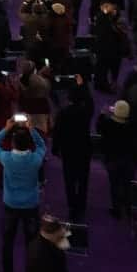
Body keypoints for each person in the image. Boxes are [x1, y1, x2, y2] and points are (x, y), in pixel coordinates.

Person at [0, 116, 48, 272]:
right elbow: (42, 146)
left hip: (10, 206)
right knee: (32, 246)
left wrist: (6, 129)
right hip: (31, 206)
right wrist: (32, 130)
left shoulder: (7, 158)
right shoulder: (35, 159)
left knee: (8, 243)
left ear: (13, 143)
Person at [52, 77, 94, 222]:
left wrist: (55, 149)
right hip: (84, 149)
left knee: (69, 180)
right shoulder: (86, 112)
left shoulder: (63, 113)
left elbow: (57, 132)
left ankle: (72, 205)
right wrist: (83, 86)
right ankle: (81, 205)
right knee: (83, 179)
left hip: (68, 150)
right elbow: (90, 102)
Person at [96, 100, 137, 219]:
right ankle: (129, 209)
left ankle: (116, 209)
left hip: (111, 160)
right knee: (127, 185)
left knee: (114, 185)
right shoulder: (131, 126)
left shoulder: (107, 124)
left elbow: (99, 127)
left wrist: (102, 115)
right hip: (128, 160)